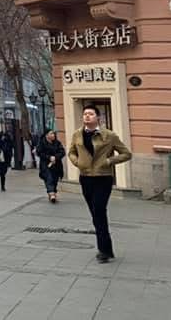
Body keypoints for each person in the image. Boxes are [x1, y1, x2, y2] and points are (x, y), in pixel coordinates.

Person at [68, 105, 132, 263]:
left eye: (90, 114)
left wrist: (109, 161)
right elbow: (71, 152)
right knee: (95, 213)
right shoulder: (77, 134)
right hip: (86, 177)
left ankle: (103, 250)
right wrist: (78, 162)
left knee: (98, 210)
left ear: (98, 117)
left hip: (103, 178)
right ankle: (107, 249)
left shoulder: (109, 135)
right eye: (85, 114)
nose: (87, 116)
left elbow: (126, 154)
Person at [36, 129, 65, 202]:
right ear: (47, 135)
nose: (53, 135)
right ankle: (51, 193)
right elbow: (39, 153)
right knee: (49, 178)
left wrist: (55, 157)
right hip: (45, 164)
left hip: (56, 164)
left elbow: (62, 152)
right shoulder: (42, 143)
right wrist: (49, 157)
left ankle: (53, 192)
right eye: (51, 134)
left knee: (55, 179)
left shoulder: (57, 143)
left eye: (53, 134)